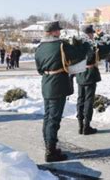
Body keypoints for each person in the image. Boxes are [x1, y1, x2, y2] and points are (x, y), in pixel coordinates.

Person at [35, 21, 88, 162]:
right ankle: (50, 152)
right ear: (52, 32)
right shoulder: (61, 45)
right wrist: (84, 44)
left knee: (48, 117)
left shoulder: (40, 47)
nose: (59, 32)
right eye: (57, 30)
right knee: (54, 119)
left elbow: (39, 69)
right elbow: (78, 54)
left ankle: (49, 146)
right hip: (58, 85)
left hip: (46, 83)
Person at [75, 25, 110, 135]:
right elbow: (109, 46)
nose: (93, 35)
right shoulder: (92, 45)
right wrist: (103, 36)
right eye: (92, 33)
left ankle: (80, 126)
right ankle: (86, 127)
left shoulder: (77, 44)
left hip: (79, 74)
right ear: (90, 34)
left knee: (80, 100)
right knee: (88, 101)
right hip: (90, 74)